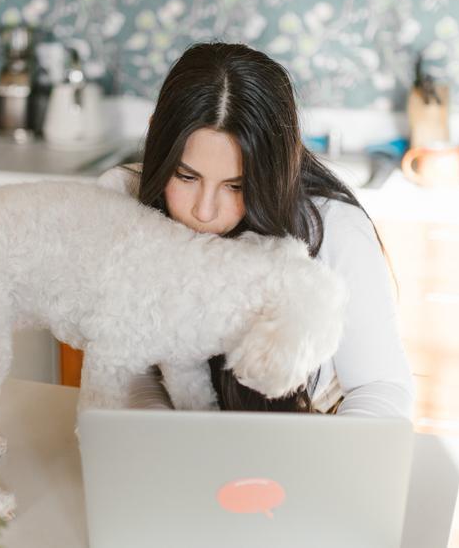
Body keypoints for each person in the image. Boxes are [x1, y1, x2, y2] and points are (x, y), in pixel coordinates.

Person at [98, 42, 413, 419]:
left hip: (304, 443)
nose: (204, 211)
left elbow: (379, 388)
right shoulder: (119, 204)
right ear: (156, 139)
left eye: (236, 185)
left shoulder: (334, 228)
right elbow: (127, 367)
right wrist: (167, 433)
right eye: (186, 176)